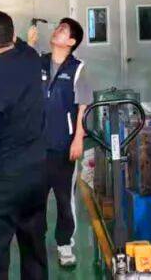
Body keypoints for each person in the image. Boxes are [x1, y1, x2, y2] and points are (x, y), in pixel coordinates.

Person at [0, 11, 48, 280]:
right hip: (36, 174)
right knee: (34, 248)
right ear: (14, 36)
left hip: (2, 180)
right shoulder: (31, 60)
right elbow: (22, 46)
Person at [39, 17, 92, 267]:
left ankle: (64, 244)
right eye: (58, 27)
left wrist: (78, 138)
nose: (57, 30)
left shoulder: (77, 68)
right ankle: (35, 240)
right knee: (34, 197)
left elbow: (83, 105)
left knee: (64, 199)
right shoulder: (38, 62)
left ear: (71, 42)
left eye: (63, 29)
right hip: (36, 146)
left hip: (63, 144)